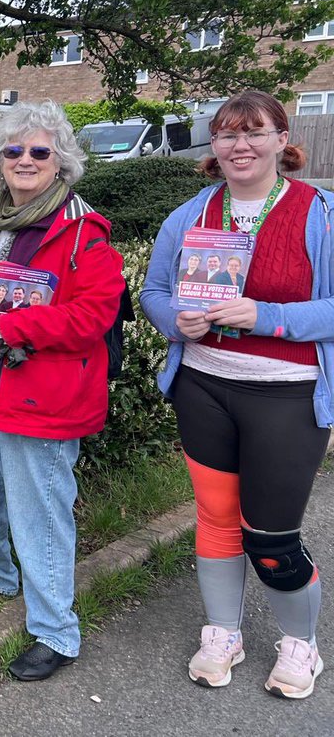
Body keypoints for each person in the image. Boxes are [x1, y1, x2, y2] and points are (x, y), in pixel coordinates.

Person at [141, 90, 332, 699]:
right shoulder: (191, 214)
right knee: (216, 519)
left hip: (286, 395)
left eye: (253, 132)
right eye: (226, 134)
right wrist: (177, 321)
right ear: (213, 148)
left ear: (282, 139)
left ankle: (301, 642)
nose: (239, 145)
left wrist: (268, 316)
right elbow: (153, 292)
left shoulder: (320, 213)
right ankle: (224, 630)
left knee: (271, 533)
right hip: (205, 388)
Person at [0, 100, 124, 682]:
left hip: (43, 394)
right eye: (13, 151)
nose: (25, 160)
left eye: (39, 151)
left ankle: (56, 632)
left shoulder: (83, 234)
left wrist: (16, 327)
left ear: (61, 162)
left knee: (40, 516)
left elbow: (94, 315)